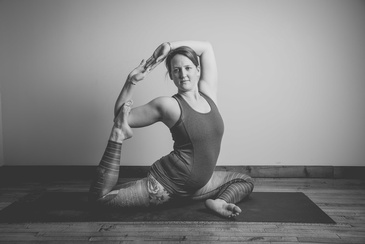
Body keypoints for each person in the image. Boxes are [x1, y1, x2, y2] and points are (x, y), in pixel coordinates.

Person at [89, 41, 254, 218]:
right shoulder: (169, 105)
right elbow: (121, 118)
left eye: (188, 68)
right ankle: (118, 136)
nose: (183, 74)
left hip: (200, 185)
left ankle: (218, 202)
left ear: (198, 70)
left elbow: (206, 48)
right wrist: (132, 81)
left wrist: (168, 46)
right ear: (172, 77)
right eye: (176, 70)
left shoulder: (209, 93)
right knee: (101, 198)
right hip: (166, 185)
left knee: (245, 181)